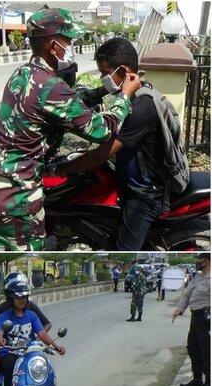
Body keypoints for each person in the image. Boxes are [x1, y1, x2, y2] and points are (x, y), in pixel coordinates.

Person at [0, 8, 140, 251]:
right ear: (53, 46)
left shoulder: (23, 74)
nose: (72, 45)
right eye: (69, 41)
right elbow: (101, 130)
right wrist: (124, 97)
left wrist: (102, 90)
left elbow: (69, 103)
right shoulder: (51, 87)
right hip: (14, 199)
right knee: (23, 259)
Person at [57, 37, 166, 250]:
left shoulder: (141, 107)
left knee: (123, 251)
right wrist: (103, 90)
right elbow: (87, 103)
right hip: (125, 175)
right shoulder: (133, 94)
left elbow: (101, 154)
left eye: (104, 74)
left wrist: (62, 168)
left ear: (124, 72)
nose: (102, 79)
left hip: (144, 191)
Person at [0, 274, 65, 386]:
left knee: (42, 366)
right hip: (10, 352)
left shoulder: (32, 315)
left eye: (25, 296)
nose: (22, 299)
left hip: (28, 353)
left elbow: (42, 333)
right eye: (18, 297)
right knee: (11, 368)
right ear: (11, 298)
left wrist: (56, 347)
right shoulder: (3, 317)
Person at [172, 253, 210, 386]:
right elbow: (187, 294)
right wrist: (179, 309)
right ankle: (197, 379)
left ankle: (209, 383)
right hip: (196, 317)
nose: (198, 262)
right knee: (193, 347)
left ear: (207, 261)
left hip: (206, 317)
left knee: (206, 349)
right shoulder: (198, 277)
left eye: (200, 260)